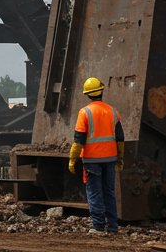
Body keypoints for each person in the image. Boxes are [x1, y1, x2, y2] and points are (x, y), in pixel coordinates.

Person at [68, 76, 124, 234]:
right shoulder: (113, 112)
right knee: (109, 192)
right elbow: (120, 139)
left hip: (92, 160)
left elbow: (78, 140)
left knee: (94, 192)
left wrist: (72, 160)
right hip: (110, 159)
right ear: (102, 91)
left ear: (87, 94)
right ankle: (112, 226)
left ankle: (98, 226)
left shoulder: (84, 112)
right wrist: (120, 158)